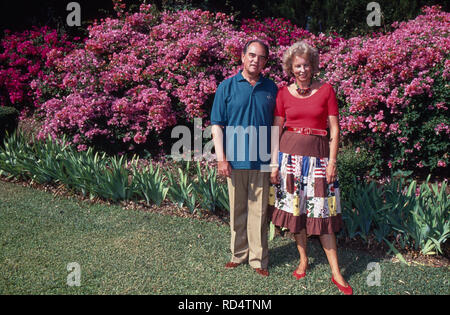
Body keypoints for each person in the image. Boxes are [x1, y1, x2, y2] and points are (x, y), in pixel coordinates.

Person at [269, 41, 353, 294]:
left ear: (313, 66)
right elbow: (276, 129)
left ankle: (336, 273)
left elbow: (335, 129)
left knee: (323, 216)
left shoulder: (327, 90)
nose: (302, 70)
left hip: (318, 160)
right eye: (297, 66)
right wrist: (274, 164)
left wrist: (333, 161)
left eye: (306, 65)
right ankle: (303, 259)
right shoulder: (283, 93)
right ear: (290, 68)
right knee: (297, 216)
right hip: (289, 160)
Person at [211, 39, 278, 276]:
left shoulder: (271, 89)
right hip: (234, 161)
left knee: (259, 212)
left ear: (265, 62)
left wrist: (274, 162)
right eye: (251, 55)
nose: (255, 60)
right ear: (242, 56)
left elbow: (276, 127)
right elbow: (217, 125)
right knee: (237, 209)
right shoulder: (226, 87)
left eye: (260, 57)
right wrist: (221, 158)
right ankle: (238, 254)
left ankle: (258, 260)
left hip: (262, 160)